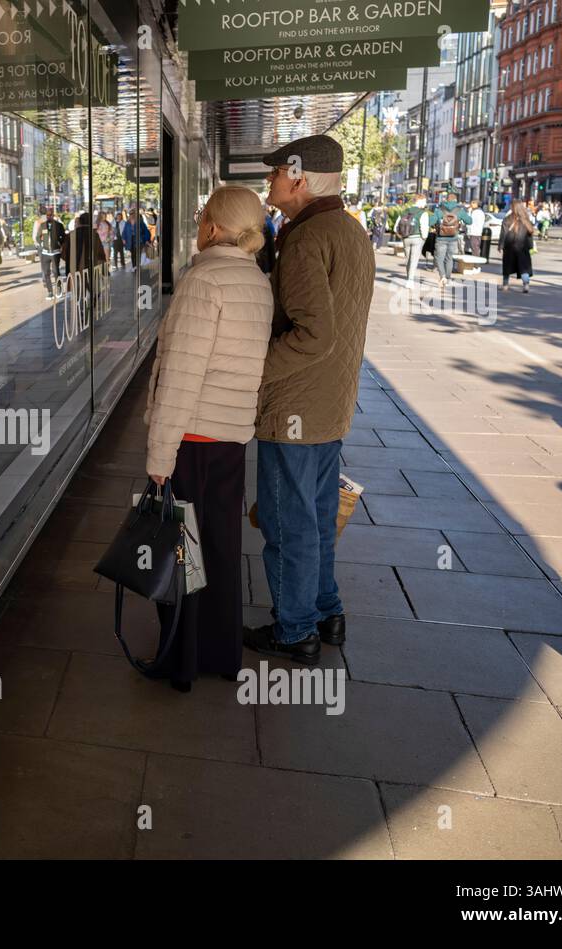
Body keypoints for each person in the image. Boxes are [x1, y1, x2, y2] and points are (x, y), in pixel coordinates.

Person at [246, 134, 375, 665]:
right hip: (331, 403)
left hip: (294, 406)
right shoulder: (350, 230)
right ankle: (327, 611)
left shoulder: (305, 239)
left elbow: (312, 335)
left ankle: (296, 629)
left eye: (276, 172)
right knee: (317, 518)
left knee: (286, 523)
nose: (269, 181)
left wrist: (254, 373)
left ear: (299, 178)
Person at [143, 186, 274, 691]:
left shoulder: (205, 282)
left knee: (183, 553)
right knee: (220, 548)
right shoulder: (256, 282)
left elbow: (181, 375)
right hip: (231, 438)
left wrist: (161, 452)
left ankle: (181, 660)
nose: (197, 224)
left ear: (214, 228)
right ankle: (221, 653)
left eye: (201, 217)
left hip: (193, 437)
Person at [429, 191, 472, 287]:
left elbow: (430, 222)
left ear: (446, 199)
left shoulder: (439, 210)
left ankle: (442, 276)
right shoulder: (459, 210)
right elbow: (469, 221)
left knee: (439, 258)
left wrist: (436, 223)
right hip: (453, 237)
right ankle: (448, 279)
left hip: (440, 238)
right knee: (449, 259)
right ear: (455, 200)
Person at [500, 202, 535, 293]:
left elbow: (503, 234)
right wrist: (530, 247)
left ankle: (505, 285)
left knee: (507, 267)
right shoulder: (526, 220)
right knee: (524, 267)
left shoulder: (507, 220)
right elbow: (529, 236)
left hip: (509, 246)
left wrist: (501, 245)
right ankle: (526, 285)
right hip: (523, 247)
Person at [397, 194, 431, 286]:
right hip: (417, 238)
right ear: (420, 201)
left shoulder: (404, 212)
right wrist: (424, 237)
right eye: (424, 201)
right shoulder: (422, 213)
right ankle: (410, 280)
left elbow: (396, 226)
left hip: (406, 238)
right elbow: (424, 228)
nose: (425, 203)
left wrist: (401, 236)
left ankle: (409, 277)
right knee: (414, 259)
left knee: (408, 259)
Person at [33, 207, 67, 299]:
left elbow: (64, 237)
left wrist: (59, 244)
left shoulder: (59, 225)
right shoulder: (43, 225)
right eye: (47, 215)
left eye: (50, 215)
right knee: (46, 273)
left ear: (53, 215)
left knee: (56, 272)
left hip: (55, 253)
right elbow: (37, 237)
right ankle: (50, 292)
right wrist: (41, 244)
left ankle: (59, 289)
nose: (48, 217)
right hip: (45, 253)